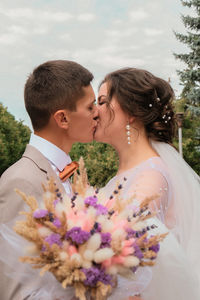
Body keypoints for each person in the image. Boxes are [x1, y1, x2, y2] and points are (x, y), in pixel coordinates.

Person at [94, 67, 200, 299]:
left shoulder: (151, 178)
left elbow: (133, 272)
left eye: (102, 102)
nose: (94, 111)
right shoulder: (125, 175)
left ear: (131, 112)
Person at [0, 60, 98, 300]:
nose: (98, 113)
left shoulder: (71, 173)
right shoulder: (21, 181)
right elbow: (17, 292)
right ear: (63, 119)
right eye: (90, 106)